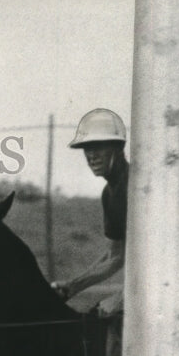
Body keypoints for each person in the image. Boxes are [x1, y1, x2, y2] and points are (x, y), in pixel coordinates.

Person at [51, 108, 129, 317]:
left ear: (117, 147)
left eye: (98, 147)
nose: (91, 156)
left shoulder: (134, 184)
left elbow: (120, 258)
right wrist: (72, 286)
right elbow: (115, 255)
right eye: (87, 149)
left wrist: (124, 297)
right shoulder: (109, 193)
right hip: (145, 283)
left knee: (109, 323)